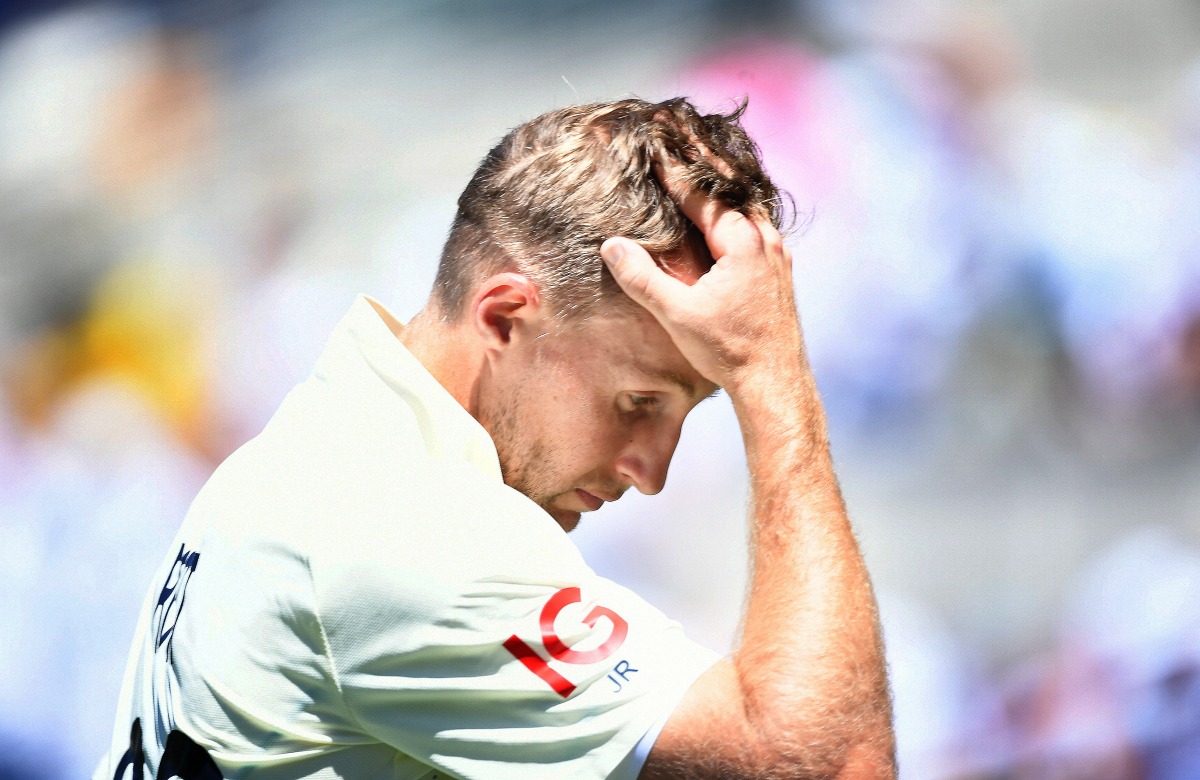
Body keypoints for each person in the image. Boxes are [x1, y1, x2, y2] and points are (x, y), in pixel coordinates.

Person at [95, 98, 896, 779]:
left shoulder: (317, 448)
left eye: (689, 408)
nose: (651, 471)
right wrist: (771, 376)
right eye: (637, 400)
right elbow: (831, 763)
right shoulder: (409, 530)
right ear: (506, 317)